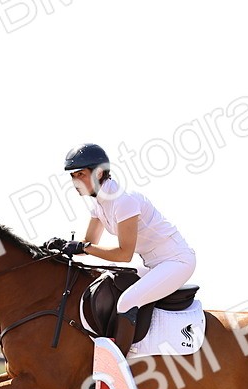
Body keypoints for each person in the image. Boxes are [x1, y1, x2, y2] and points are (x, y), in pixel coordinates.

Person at [44, 143, 196, 355]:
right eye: (73, 176)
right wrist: (62, 247)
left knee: (127, 302)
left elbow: (124, 254)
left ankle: (118, 363)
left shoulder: (124, 201)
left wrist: (84, 247)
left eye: (81, 174)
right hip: (154, 265)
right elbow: (89, 242)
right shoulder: (98, 204)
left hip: (177, 261)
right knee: (108, 282)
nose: (75, 181)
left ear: (99, 173)